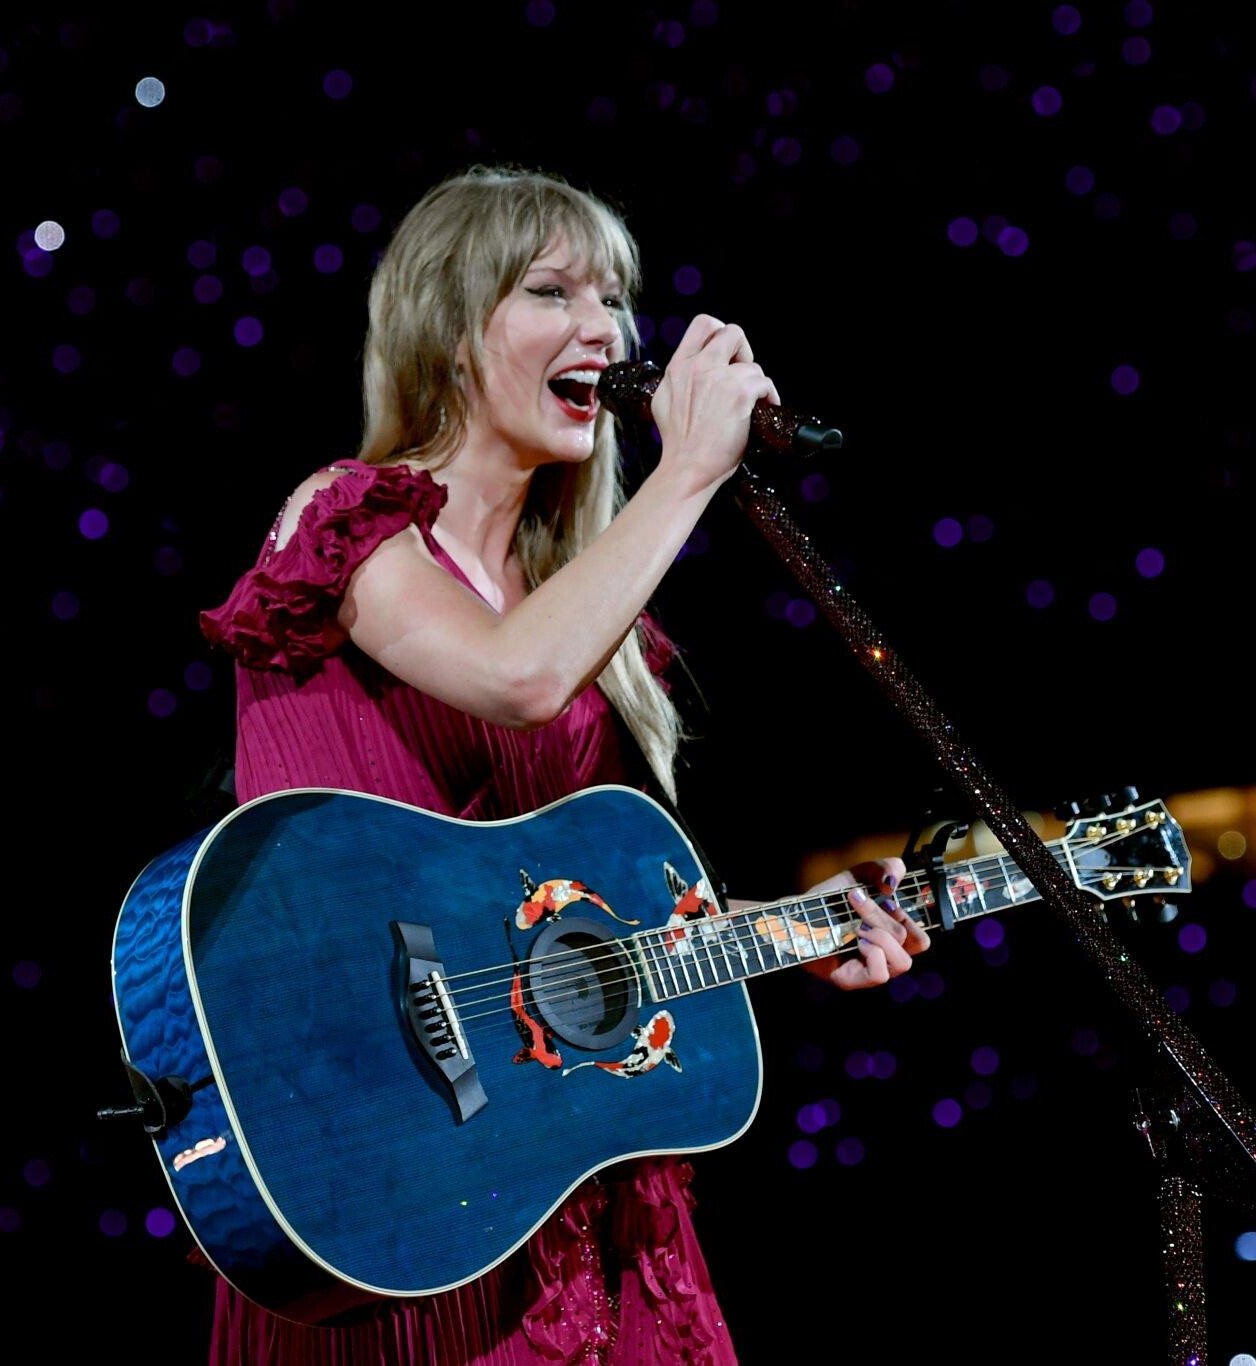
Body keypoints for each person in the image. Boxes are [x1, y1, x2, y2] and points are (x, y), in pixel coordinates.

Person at [197, 165, 931, 1365]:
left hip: (563, 1178)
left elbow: (565, 923)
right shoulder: (348, 520)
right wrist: (687, 472)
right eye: (552, 292)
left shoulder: (584, 611)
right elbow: (514, 676)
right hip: (382, 1176)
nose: (607, 330)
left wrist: (789, 930)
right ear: (447, 328)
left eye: (614, 299)